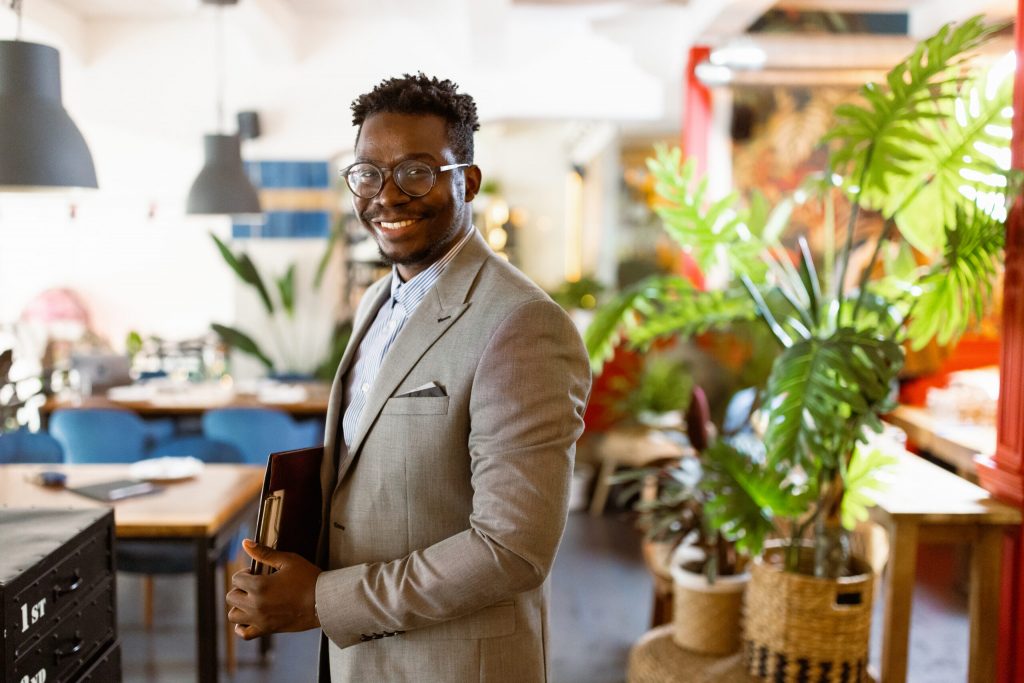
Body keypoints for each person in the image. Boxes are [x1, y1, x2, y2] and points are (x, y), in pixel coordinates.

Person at [226, 73, 592, 682]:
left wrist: (320, 600)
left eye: (417, 171)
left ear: (466, 181)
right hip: (361, 659)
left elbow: (513, 550)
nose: (386, 195)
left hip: (451, 665)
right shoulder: (377, 298)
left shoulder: (523, 324)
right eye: (368, 173)